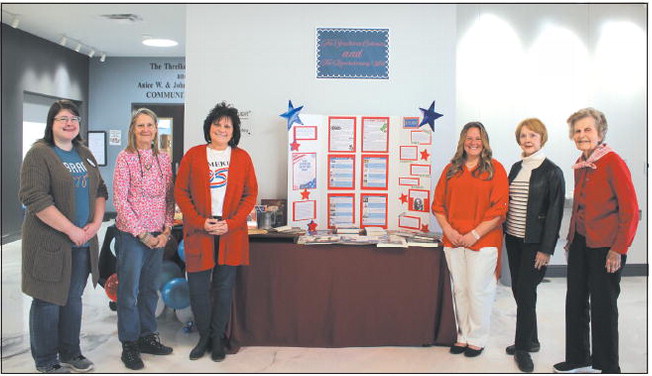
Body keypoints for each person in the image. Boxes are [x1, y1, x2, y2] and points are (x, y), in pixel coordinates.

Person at [20, 100, 107, 373]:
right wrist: (71, 230)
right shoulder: (39, 154)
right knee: (47, 299)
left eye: (74, 118)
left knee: (72, 299)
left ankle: (71, 352)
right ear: (51, 123)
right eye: (62, 119)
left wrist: (95, 224)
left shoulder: (84, 152)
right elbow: (35, 198)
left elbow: (100, 190)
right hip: (50, 242)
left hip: (83, 242)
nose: (70, 123)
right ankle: (46, 361)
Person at [553, 108, 639, 374]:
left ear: (600, 132)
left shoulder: (613, 161)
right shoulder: (581, 162)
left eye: (587, 129)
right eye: (577, 131)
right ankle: (579, 357)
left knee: (603, 306)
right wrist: (570, 239)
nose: (582, 135)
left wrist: (618, 249)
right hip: (580, 243)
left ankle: (608, 365)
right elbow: (581, 205)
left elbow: (630, 211)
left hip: (606, 246)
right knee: (575, 301)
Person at [174, 101, 258, 361]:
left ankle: (219, 338)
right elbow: (180, 191)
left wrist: (230, 223)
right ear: (208, 128)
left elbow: (250, 194)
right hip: (200, 229)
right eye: (217, 124)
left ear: (234, 131)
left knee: (223, 288)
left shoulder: (242, 157)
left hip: (230, 231)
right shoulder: (194, 155)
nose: (221, 129)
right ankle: (204, 338)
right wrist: (200, 221)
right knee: (198, 288)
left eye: (227, 126)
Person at [432, 121, 509, 357]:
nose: (473, 143)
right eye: (469, 138)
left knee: (478, 290)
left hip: (483, 242)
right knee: (460, 290)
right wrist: (450, 231)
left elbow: (499, 210)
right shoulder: (451, 170)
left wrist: (474, 234)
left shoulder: (496, 169)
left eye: (478, 139)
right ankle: (462, 335)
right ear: (462, 142)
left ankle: (477, 337)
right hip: (454, 241)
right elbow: (438, 205)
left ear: (484, 142)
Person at [113, 108, 175, 370]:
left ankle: (147, 337)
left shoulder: (163, 158)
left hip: (158, 236)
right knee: (129, 293)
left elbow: (169, 198)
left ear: (156, 129)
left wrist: (166, 231)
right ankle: (129, 344)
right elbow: (120, 201)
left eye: (150, 125)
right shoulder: (124, 158)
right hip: (133, 236)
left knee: (150, 290)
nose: (146, 130)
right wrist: (142, 234)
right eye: (141, 126)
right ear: (133, 129)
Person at [504, 118, 565, 372]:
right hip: (513, 239)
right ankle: (532, 339)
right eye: (523, 135)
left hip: (534, 244)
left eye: (533, 135)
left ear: (542, 138)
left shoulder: (552, 171)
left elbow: (555, 213)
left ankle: (522, 348)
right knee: (521, 291)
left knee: (527, 293)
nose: (527, 140)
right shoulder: (516, 167)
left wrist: (546, 249)